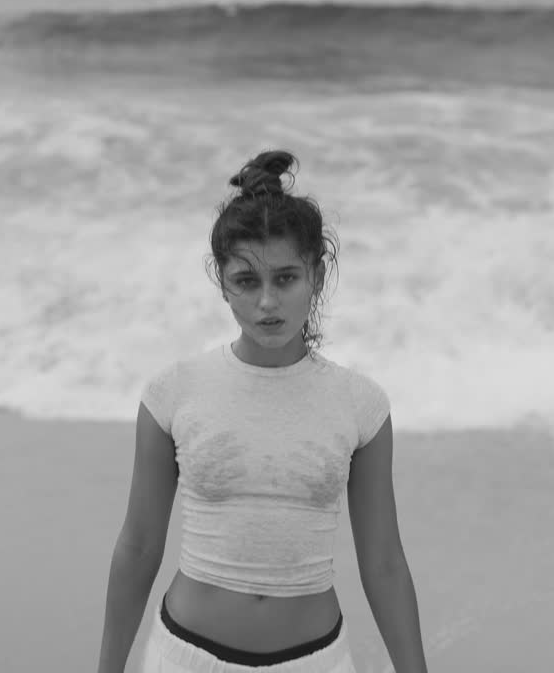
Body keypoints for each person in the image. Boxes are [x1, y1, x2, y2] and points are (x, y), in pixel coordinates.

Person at [96, 150, 428, 673]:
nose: (267, 302)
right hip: (185, 658)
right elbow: (138, 548)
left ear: (315, 276)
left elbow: (384, 564)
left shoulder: (361, 406)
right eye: (247, 281)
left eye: (286, 278)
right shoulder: (173, 393)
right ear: (222, 283)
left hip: (315, 662)